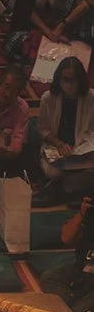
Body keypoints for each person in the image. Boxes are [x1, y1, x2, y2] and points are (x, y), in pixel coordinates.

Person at [34, 56, 94, 206]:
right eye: (65, 79)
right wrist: (59, 144)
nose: (68, 84)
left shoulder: (91, 97)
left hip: (83, 148)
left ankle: (63, 191)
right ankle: (72, 191)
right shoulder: (48, 98)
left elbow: (92, 130)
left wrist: (84, 147)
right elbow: (42, 129)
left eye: (72, 80)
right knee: (54, 172)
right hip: (56, 148)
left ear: (80, 80)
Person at [40, 195, 94, 312]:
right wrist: (82, 214)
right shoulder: (90, 213)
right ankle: (81, 306)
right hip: (82, 270)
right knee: (49, 277)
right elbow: (66, 238)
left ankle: (79, 308)